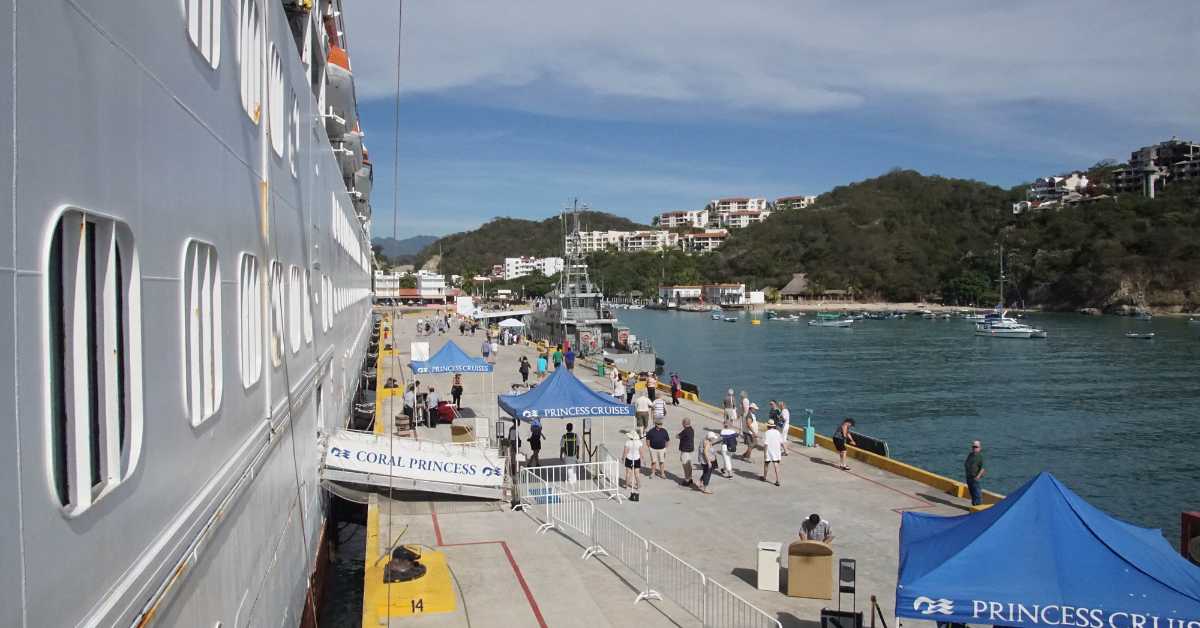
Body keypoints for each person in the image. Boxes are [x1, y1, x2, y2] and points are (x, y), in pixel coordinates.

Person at [623, 431, 645, 501]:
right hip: (636, 459)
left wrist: (623, 457)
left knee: (628, 473)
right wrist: (643, 459)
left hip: (629, 458)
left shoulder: (628, 442)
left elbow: (625, 451)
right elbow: (641, 452)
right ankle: (638, 485)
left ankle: (626, 485)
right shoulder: (639, 443)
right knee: (637, 474)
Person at [762, 420, 783, 486]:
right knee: (776, 465)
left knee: (766, 464)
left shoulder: (767, 433)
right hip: (776, 451)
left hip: (769, 451)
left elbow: (766, 444)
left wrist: (765, 453)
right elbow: (781, 442)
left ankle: (764, 477)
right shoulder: (777, 432)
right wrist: (785, 450)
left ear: (768, 426)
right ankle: (778, 480)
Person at [965, 440, 986, 506]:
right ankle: (974, 506)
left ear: (980, 448)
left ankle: (978, 507)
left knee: (977, 494)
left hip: (975, 478)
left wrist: (978, 477)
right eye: (973, 447)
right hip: (969, 477)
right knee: (972, 493)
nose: (974, 448)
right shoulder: (970, 455)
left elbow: (983, 468)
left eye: (976, 447)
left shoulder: (980, 457)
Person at [677, 418, 695, 486]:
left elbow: (678, 436)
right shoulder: (691, 429)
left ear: (684, 423)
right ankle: (690, 478)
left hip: (685, 451)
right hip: (690, 450)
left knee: (685, 465)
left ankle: (686, 480)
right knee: (689, 465)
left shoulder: (685, 431)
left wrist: (678, 436)